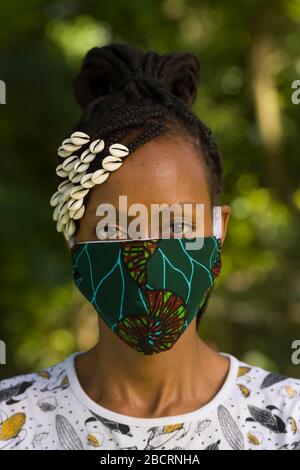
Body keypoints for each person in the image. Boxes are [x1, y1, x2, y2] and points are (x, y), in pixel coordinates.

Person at [0, 43, 299, 451]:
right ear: (73, 237)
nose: (149, 250)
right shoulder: (11, 421)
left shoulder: (287, 422)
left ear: (217, 228)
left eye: (177, 224)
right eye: (115, 228)